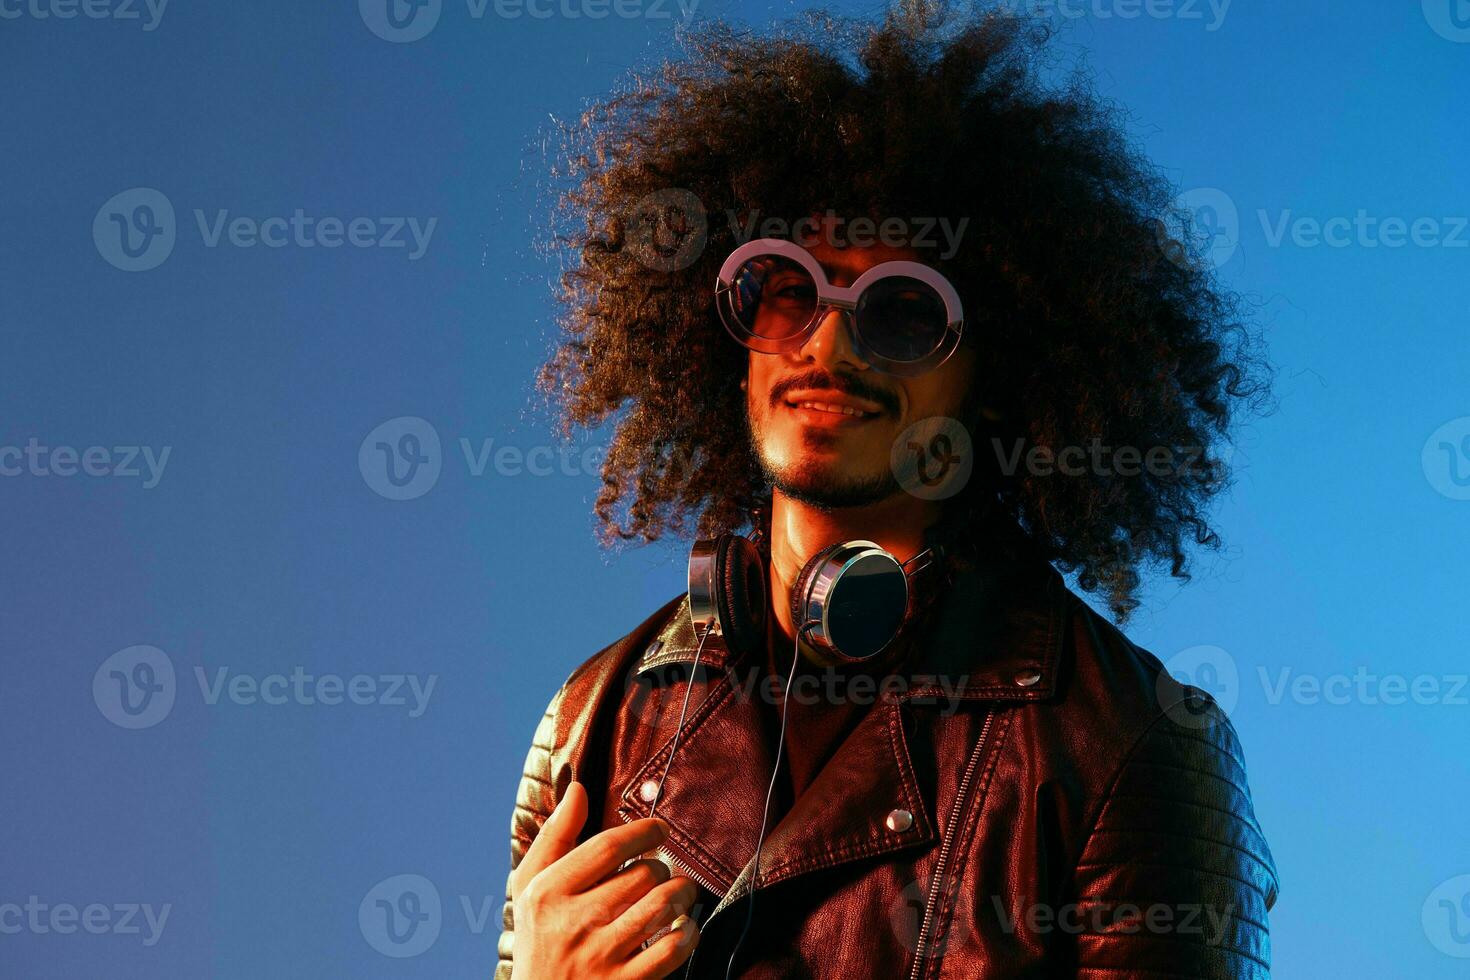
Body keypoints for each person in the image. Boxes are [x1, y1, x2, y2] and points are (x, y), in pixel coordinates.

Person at [496, 4, 1279, 977]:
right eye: (786, 286)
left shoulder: (1130, 746)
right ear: (723, 336)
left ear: (994, 384)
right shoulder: (597, 716)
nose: (827, 340)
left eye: (902, 310)